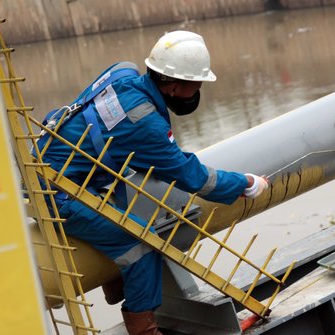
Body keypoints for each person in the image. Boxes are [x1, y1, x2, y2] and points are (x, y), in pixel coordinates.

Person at [40, 30, 269, 335]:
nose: (199, 89)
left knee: (121, 214)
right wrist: (245, 183)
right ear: (173, 86)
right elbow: (192, 176)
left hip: (50, 167)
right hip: (57, 191)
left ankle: (117, 284)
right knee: (139, 241)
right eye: (196, 83)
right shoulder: (145, 122)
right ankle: (143, 329)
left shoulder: (121, 73)